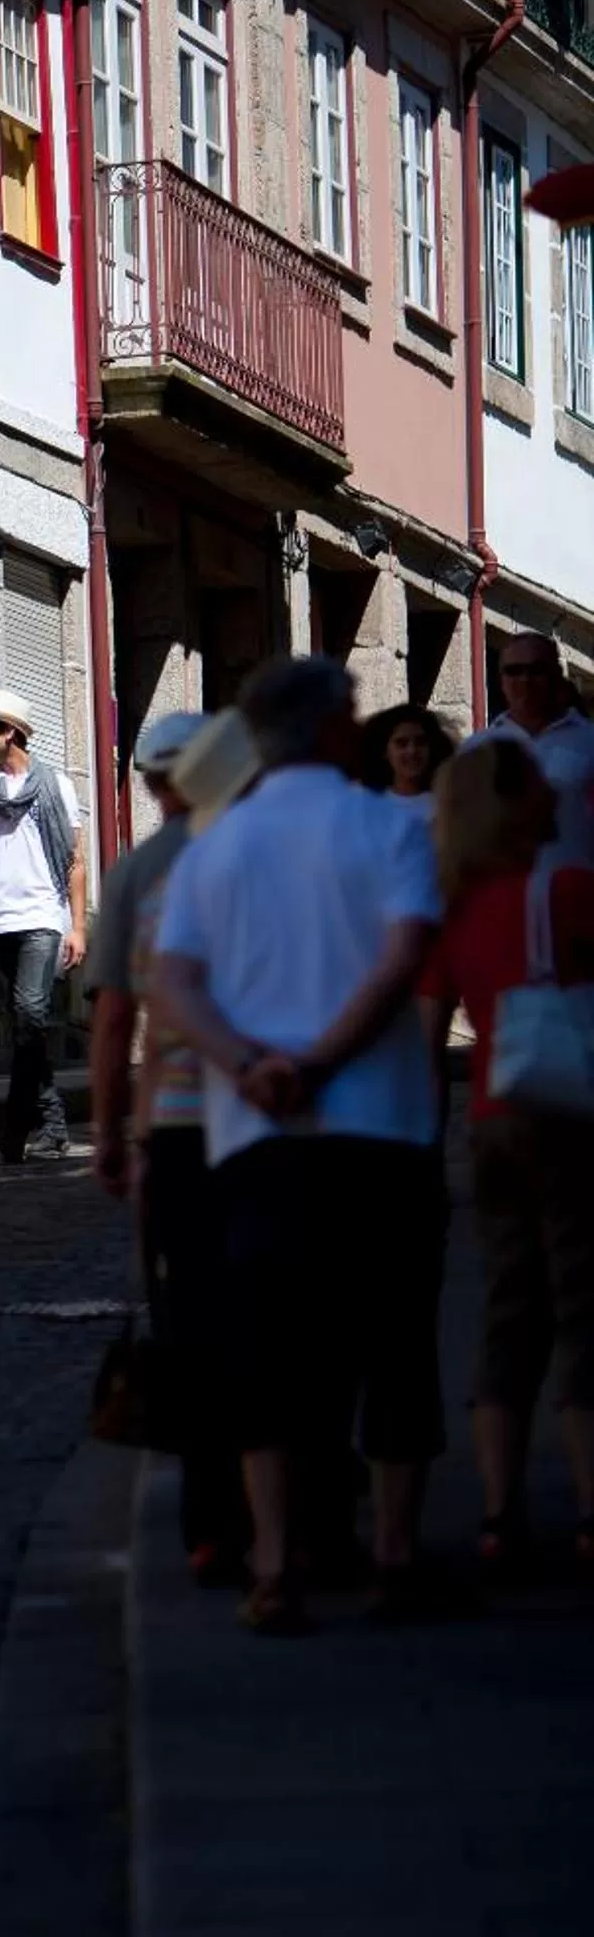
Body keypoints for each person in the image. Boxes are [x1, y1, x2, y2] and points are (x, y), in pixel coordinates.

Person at [152, 656, 445, 1634]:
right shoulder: (382, 824)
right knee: (396, 1343)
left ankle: (273, 1567)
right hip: (383, 1123)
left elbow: (173, 985)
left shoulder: (214, 845)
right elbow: (406, 957)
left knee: (266, 1354)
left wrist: (249, 1064)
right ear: (333, 727)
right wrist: (323, 1060)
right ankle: (395, 1557)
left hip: (256, 1134)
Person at [420, 736, 594, 1571]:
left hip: (490, 1114)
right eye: (538, 787)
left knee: (508, 1308)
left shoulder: (453, 909)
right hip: (567, 1115)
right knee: (581, 1307)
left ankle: (498, 1508)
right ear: (516, 805)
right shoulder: (567, 892)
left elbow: (426, 1037)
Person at [87, 709, 249, 1580]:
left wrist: (110, 1133)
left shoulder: (141, 873)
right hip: (273, 1124)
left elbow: (115, 1020)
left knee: (188, 1327)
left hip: (179, 1130)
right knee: (277, 1314)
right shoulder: (266, 861)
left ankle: (208, 1525)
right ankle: (302, 1513)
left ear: (152, 784)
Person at [0, 689, 86, 1164]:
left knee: (31, 1012)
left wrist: (76, 925)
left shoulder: (56, 786)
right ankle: (51, 1124)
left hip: (41, 916)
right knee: (21, 1030)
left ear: (9, 732)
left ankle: (15, 1125)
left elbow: (73, 862)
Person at [487, 634, 594, 862]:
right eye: (514, 671)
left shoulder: (588, 742)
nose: (525, 680)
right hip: (503, 890)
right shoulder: (478, 749)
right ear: (501, 680)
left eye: (536, 670)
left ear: (555, 676)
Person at [358, 701, 454, 822]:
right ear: (385, 752)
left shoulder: (447, 807)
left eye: (420, 742)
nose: (412, 751)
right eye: (401, 743)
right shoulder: (368, 808)